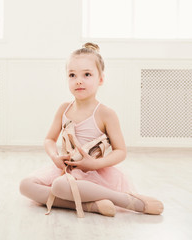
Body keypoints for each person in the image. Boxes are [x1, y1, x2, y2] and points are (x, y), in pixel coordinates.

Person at [19, 43, 163, 217]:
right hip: (65, 170)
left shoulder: (106, 113)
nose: (78, 80)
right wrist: (55, 157)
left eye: (87, 74)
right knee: (26, 185)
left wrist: (94, 164)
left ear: (100, 79)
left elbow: (120, 151)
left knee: (60, 186)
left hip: (93, 173)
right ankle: (92, 206)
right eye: (72, 75)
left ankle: (125, 200)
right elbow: (49, 139)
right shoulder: (64, 109)